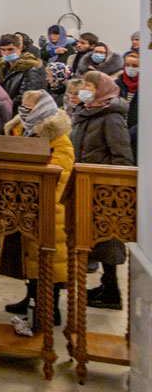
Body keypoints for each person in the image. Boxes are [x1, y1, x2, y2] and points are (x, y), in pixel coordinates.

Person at [0, 91, 72, 328]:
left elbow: (60, 173)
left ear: (41, 109)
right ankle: (30, 297)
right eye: (22, 106)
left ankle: (50, 307)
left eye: (28, 108)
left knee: (49, 261)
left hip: (49, 208)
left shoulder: (59, 138)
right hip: (22, 204)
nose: (23, 111)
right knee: (28, 258)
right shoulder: (20, 129)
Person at [72, 71, 134, 309]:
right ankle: (107, 286)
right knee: (94, 239)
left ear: (102, 89)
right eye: (84, 84)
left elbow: (122, 155)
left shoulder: (111, 117)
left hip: (104, 188)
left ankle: (112, 292)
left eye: (89, 85)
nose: (84, 89)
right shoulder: (87, 112)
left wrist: (113, 187)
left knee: (108, 239)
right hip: (86, 184)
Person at [0, 34, 46, 103]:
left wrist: (6, 106)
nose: (6, 53)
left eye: (10, 49)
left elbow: (26, 96)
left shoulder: (30, 67)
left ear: (20, 48)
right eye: (3, 50)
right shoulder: (0, 66)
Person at [116, 51, 138, 157]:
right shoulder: (117, 84)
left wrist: (128, 135)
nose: (130, 68)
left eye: (134, 66)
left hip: (137, 137)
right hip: (118, 133)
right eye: (128, 65)